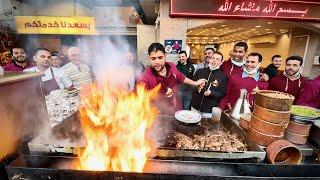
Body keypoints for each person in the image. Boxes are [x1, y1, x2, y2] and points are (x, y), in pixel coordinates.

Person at [137, 43, 206, 115]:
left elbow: (181, 77)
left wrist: (195, 83)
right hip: (159, 116)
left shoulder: (171, 66)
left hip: (176, 110)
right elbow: (141, 100)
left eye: (160, 58)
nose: (157, 62)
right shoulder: (145, 77)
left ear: (165, 55)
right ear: (149, 57)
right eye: (153, 58)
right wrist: (162, 96)